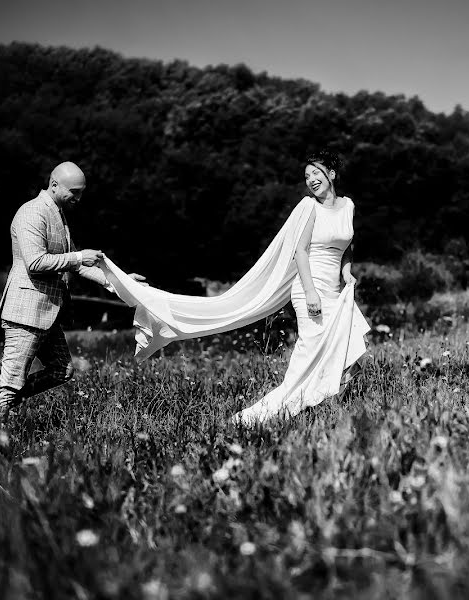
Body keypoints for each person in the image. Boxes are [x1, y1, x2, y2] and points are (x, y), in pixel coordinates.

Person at [101, 150, 370, 424]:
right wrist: (311, 293)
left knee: (348, 342)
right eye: (307, 176)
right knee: (310, 351)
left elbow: (346, 244)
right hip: (309, 288)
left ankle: (325, 401)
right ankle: (272, 412)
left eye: (317, 173)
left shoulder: (347, 206)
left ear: (332, 174)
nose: (311, 180)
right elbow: (300, 252)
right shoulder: (308, 207)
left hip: (335, 289)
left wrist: (347, 272)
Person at [0, 162, 145, 432]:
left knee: (61, 370)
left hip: (48, 312)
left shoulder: (58, 213)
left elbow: (78, 265)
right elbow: (36, 262)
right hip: (26, 310)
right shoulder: (31, 212)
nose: (78, 199)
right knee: (12, 381)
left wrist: (121, 284)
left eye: (81, 193)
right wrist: (78, 256)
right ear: (54, 185)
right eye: (74, 192)